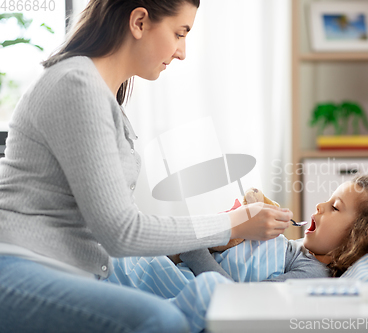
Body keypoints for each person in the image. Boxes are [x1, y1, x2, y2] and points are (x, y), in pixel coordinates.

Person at [0, 1, 292, 332]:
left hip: (67, 270)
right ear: (139, 22)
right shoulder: (75, 84)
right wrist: (232, 225)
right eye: (179, 33)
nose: (182, 52)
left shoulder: (103, 95)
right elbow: (123, 233)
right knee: (161, 320)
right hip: (19, 264)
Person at [180, 175, 368, 281]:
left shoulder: (312, 273)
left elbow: (238, 300)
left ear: (356, 237)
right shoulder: (298, 250)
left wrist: (193, 247)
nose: (320, 205)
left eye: (335, 207)